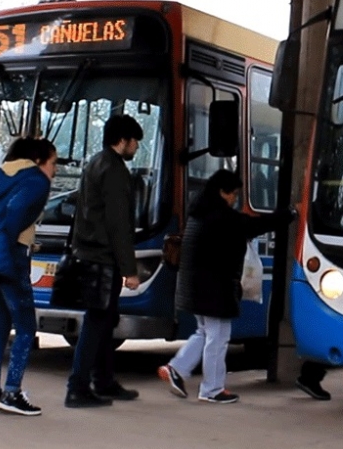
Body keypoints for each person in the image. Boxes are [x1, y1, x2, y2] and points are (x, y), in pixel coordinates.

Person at [157, 169, 294, 404]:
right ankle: (212, 389)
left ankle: (177, 368)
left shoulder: (199, 213)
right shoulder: (221, 216)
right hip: (213, 288)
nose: (235, 199)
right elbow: (256, 225)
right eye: (234, 194)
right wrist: (290, 213)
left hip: (195, 286)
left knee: (204, 332)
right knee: (218, 338)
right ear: (222, 192)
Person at [0, 137, 57, 416]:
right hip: (12, 257)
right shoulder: (36, 182)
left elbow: (2, 214)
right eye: (53, 163)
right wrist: (17, 240)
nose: (54, 170)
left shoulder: (0, 176)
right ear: (38, 160)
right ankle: (13, 391)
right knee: (27, 326)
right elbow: (16, 216)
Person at [65, 114, 143, 408]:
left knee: (105, 321)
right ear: (122, 140)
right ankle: (78, 387)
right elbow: (118, 224)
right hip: (102, 257)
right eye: (134, 141)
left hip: (88, 254)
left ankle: (104, 380)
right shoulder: (114, 170)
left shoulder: (95, 163)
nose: (135, 147)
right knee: (97, 322)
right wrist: (130, 270)